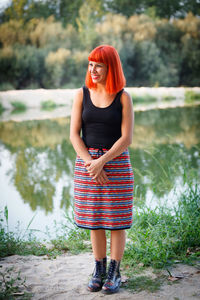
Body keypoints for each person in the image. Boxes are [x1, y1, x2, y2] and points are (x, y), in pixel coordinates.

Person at [70, 44, 134, 294]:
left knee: (116, 222)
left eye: (98, 65)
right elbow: (74, 135)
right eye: (90, 64)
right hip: (87, 165)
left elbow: (126, 138)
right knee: (95, 221)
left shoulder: (123, 97)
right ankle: (98, 269)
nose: (93, 69)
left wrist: (102, 161)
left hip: (115, 164)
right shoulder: (81, 94)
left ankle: (114, 273)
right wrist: (91, 163)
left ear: (111, 67)